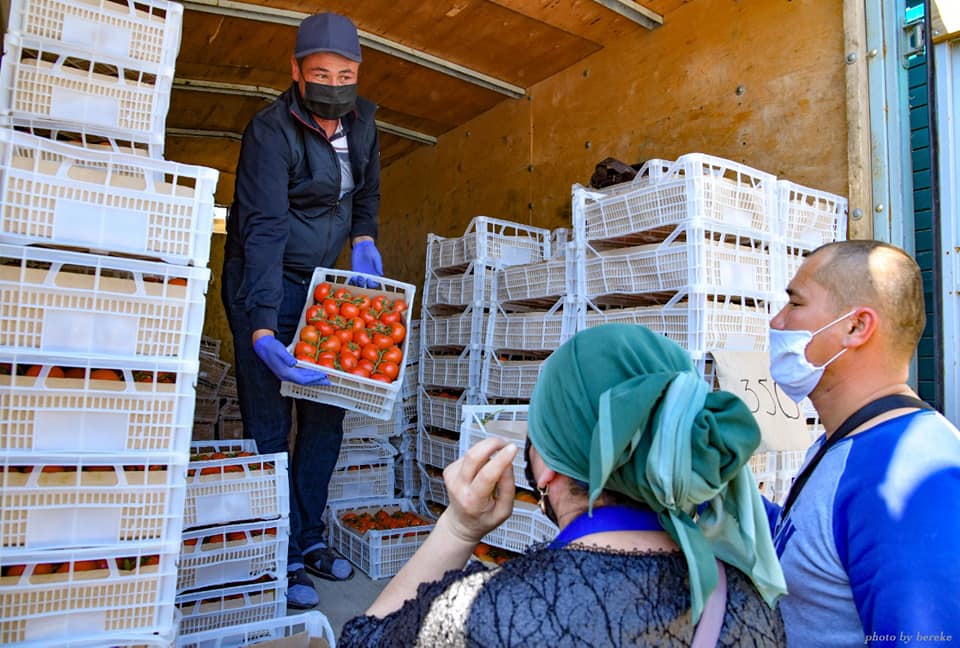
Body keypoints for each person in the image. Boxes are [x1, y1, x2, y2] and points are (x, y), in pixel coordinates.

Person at [340, 324, 787, 646]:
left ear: (546, 470)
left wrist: (458, 529)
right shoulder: (748, 600)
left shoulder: (496, 612)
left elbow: (364, 638)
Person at [221, 12, 384, 609]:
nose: (335, 85)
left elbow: (365, 190)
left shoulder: (364, 122)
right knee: (269, 422)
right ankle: (276, 551)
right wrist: (263, 324)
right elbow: (262, 229)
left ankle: (308, 538)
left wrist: (363, 235)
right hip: (264, 281)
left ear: (358, 73)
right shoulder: (269, 131)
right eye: (321, 74)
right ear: (295, 71)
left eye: (346, 74)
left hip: (322, 286)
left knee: (324, 416)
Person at [767, 240, 960, 646]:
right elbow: (817, 553)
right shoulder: (843, 445)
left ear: (856, 327)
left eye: (795, 304)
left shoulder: (904, 475)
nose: (777, 322)